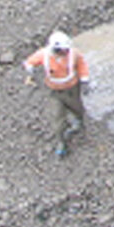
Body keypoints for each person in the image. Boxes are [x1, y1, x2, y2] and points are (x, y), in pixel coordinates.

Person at [23, 30, 91, 158]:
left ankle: (78, 121)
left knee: (77, 108)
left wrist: (85, 80)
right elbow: (29, 62)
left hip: (72, 89)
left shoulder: (74, 54)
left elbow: (82, 65)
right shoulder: (44, 55)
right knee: (57, 117)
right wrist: (30, 69)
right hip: (54, 92)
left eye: (66, 49)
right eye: (62, 50)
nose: (65, 52)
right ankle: (61, 142)